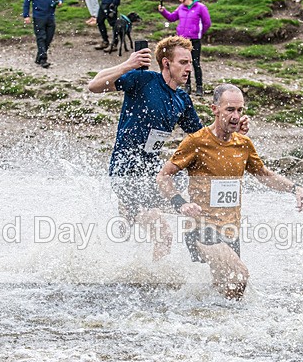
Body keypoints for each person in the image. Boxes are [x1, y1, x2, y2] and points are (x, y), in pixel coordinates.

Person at [157, 84, 303, 299]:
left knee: (228, 291)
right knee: (239, 275)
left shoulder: (243, 144)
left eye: (240, 110)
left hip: (231, 230)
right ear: (215, 109)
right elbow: (164, 175)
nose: (236, 116)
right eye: (230, 110)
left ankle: (212, 324)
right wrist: (180, 203)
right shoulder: (196, 142)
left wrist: (296, 188)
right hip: (201, 228)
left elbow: (264, 175)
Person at [88, 36, 227, 261]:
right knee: (163, 233)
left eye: (190, 63)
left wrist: (229, 124)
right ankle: (150, 284)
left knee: (194, 212)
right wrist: (128, 64)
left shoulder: (181, 98)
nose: (189, 68)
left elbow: (201, 137)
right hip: (124, 170)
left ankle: (128, 227)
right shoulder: (142, 79)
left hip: (152, 173)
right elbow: (94, 85)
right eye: (183, 62)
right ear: (166, 63)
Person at [158, 0, 212, 96]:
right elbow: (172, 17)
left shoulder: (200, 7)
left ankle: (199, 87)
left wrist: (199, 33)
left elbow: (207, 22)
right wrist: (163, 11)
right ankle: (187, 87)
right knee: (184, 63)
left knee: (195, 63)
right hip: (183, 41)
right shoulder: (181, 8)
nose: (179, 0)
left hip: (194, 40)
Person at [23, 0, 63, 69]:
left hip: (50, 16)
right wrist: (26, 15)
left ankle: (39, 57)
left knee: (49, 37)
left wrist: (60, 1)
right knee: (41, 37)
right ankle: (43, 59)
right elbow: (27, 2)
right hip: (39, 17)